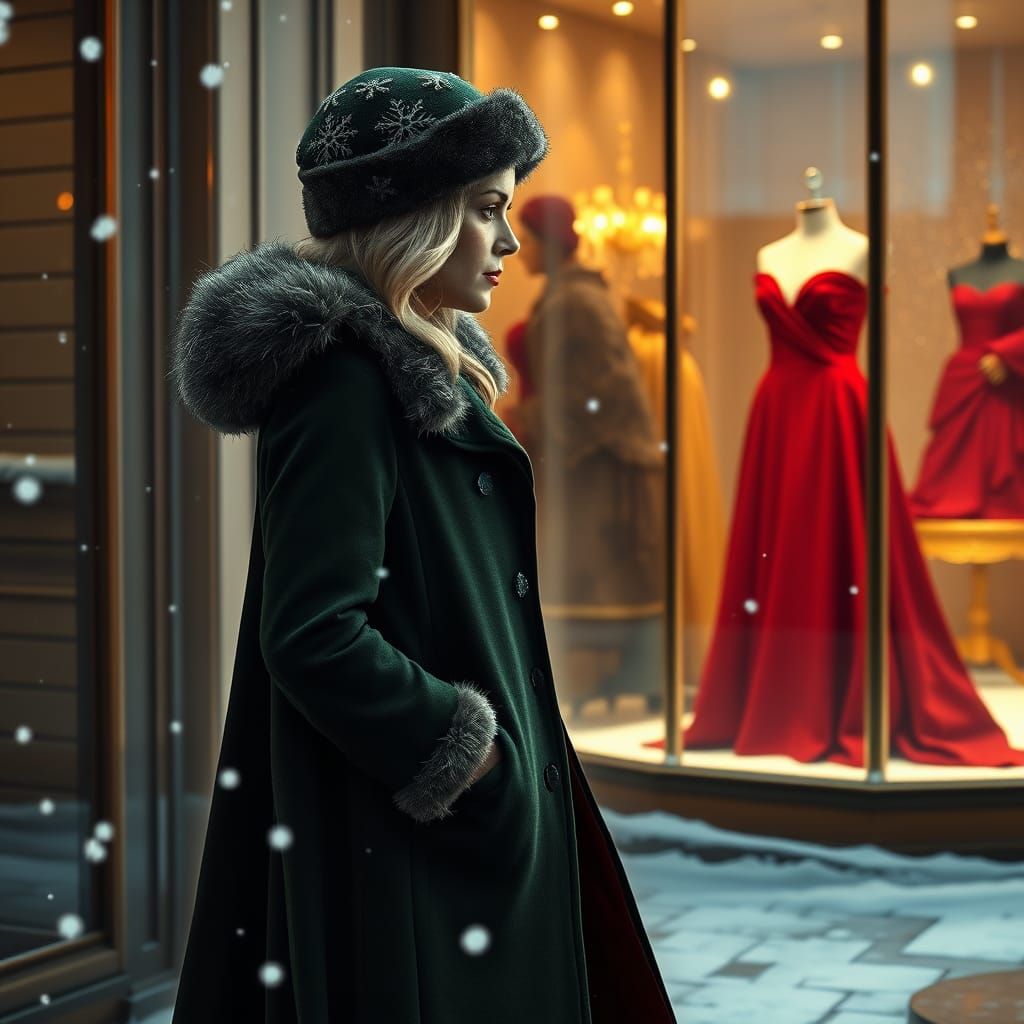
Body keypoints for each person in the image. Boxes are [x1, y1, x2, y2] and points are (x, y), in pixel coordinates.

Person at [168, 67, 676, 1024]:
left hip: (450, 839)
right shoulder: (347, 384)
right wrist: (468, 755)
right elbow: (315, 633)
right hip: (409, 846)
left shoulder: (416, 371)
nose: (510, 242)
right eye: (488, 209)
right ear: (417, 216)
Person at [505, 195, 667, 715]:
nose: (516, 248)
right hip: (572, 459)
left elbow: (597, 391)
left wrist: (529, 418)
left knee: (595, 569)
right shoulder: (566, 297)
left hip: (593, 464)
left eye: (526, 238)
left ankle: (604, 677)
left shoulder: (576, 302)